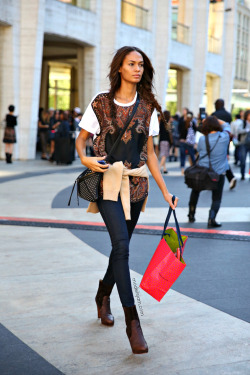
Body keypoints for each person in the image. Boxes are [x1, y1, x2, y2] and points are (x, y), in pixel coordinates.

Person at [75, 46, 178, 355]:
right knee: (121, 246)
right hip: (107, 182)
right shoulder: (100, 102)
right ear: (119, 67)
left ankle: (102, 294)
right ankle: (133, 323)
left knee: (122, 247)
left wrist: (164, 191)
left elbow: (150, 154)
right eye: (132, 64)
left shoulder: (147, 107)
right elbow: (81, 141)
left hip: (136, 187)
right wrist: (85, 160)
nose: (138, 69)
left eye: (141, 65)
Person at [188, 116, 230, 228]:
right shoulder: (224, 137)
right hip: (218, 173)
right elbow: (227, 125)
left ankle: (191, 214)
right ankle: (212, 219)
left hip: (203, 172)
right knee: (216, 198)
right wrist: (218, 120)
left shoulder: (202, 139)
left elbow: (200, 152)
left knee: (195, 192)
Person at [211, 98, 236, 189]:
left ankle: (216, 179)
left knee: (215, 159)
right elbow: (229, 127)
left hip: (214, 140)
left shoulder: (214, 115)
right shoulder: (228, 115)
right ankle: (231, 177)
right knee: (223, 157)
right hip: (225, 139)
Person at [238, 110, 250, 180]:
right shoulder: (243, 123)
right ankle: (242, 174)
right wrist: (246, 130)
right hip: (243, 144)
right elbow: (238, 130)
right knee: (243, 160)